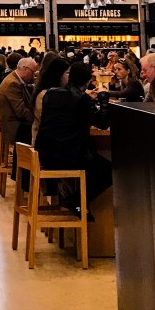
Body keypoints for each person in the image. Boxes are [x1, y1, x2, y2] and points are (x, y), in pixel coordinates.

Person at [35, 61, 111, 211]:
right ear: (88, 81)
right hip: (68, 156)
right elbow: (102, 123)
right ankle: (76, 202)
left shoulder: (50, 93)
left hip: (46, 155)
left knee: (97, 168)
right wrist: (103, 98)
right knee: (107, 171)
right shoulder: (81, 100)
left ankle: (75, 202)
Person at [0, 56, 37, 153]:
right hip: (13, 126)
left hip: (15, 121)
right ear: (25, 69)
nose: (33, 76)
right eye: (33, 72)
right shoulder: (12, 84)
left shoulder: (15, 79)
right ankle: (30, 163)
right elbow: (21, 112)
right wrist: (37, 119)